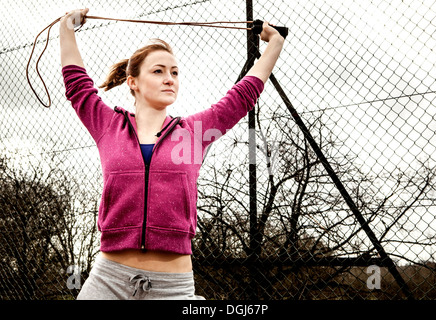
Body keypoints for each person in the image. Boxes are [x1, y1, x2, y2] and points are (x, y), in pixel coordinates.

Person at [60, 8, 284, 300]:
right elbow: (78, 86)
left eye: (174, 72)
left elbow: (242, 96)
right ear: (133, 82)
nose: (170, 79)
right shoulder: (108, 126)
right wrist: (66, 28)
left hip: (172, 286)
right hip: (108, 279)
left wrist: (274, 43)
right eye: (158, 71)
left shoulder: (193, 134)